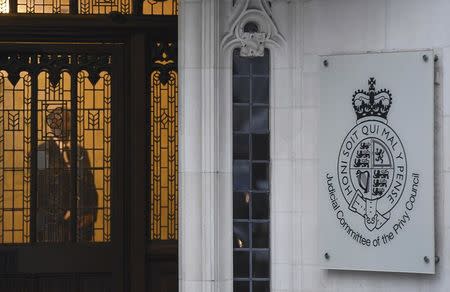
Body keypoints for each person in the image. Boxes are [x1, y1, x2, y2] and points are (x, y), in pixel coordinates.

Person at [36, 107, 98, 242]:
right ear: (54, 124)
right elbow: (41, 190)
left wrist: (91, 214)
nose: (72, 124)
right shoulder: (41, 152)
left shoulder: (81, 152)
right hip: (53, 231)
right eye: (68, 120)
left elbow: (90, 187)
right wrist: (63, 216)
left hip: (82, 230)